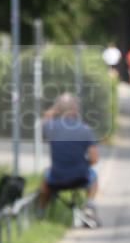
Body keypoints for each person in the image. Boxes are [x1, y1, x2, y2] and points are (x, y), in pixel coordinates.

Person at [37, 93, 100, 227]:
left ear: (58, 110)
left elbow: (44, 120)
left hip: (56, 177)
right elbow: (94, 159)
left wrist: (55, 109)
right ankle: (89, 205)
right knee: (94, 175)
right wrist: (84, 164)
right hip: (80, 177)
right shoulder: (85, 129)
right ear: (76, 110)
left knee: (44, 176)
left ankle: (40, 212)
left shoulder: (51, 127)